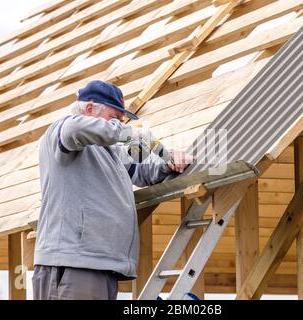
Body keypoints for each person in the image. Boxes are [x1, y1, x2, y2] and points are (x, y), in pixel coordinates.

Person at [32, 80, 192, 300]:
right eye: (114, 118)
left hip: (100, 265)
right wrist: (131, 133)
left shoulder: (111, 150)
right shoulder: (62, 130)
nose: (118, 125)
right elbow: (75, 128)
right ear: (89, 109)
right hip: (74, 263)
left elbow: (142, 171)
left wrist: (168, 162)